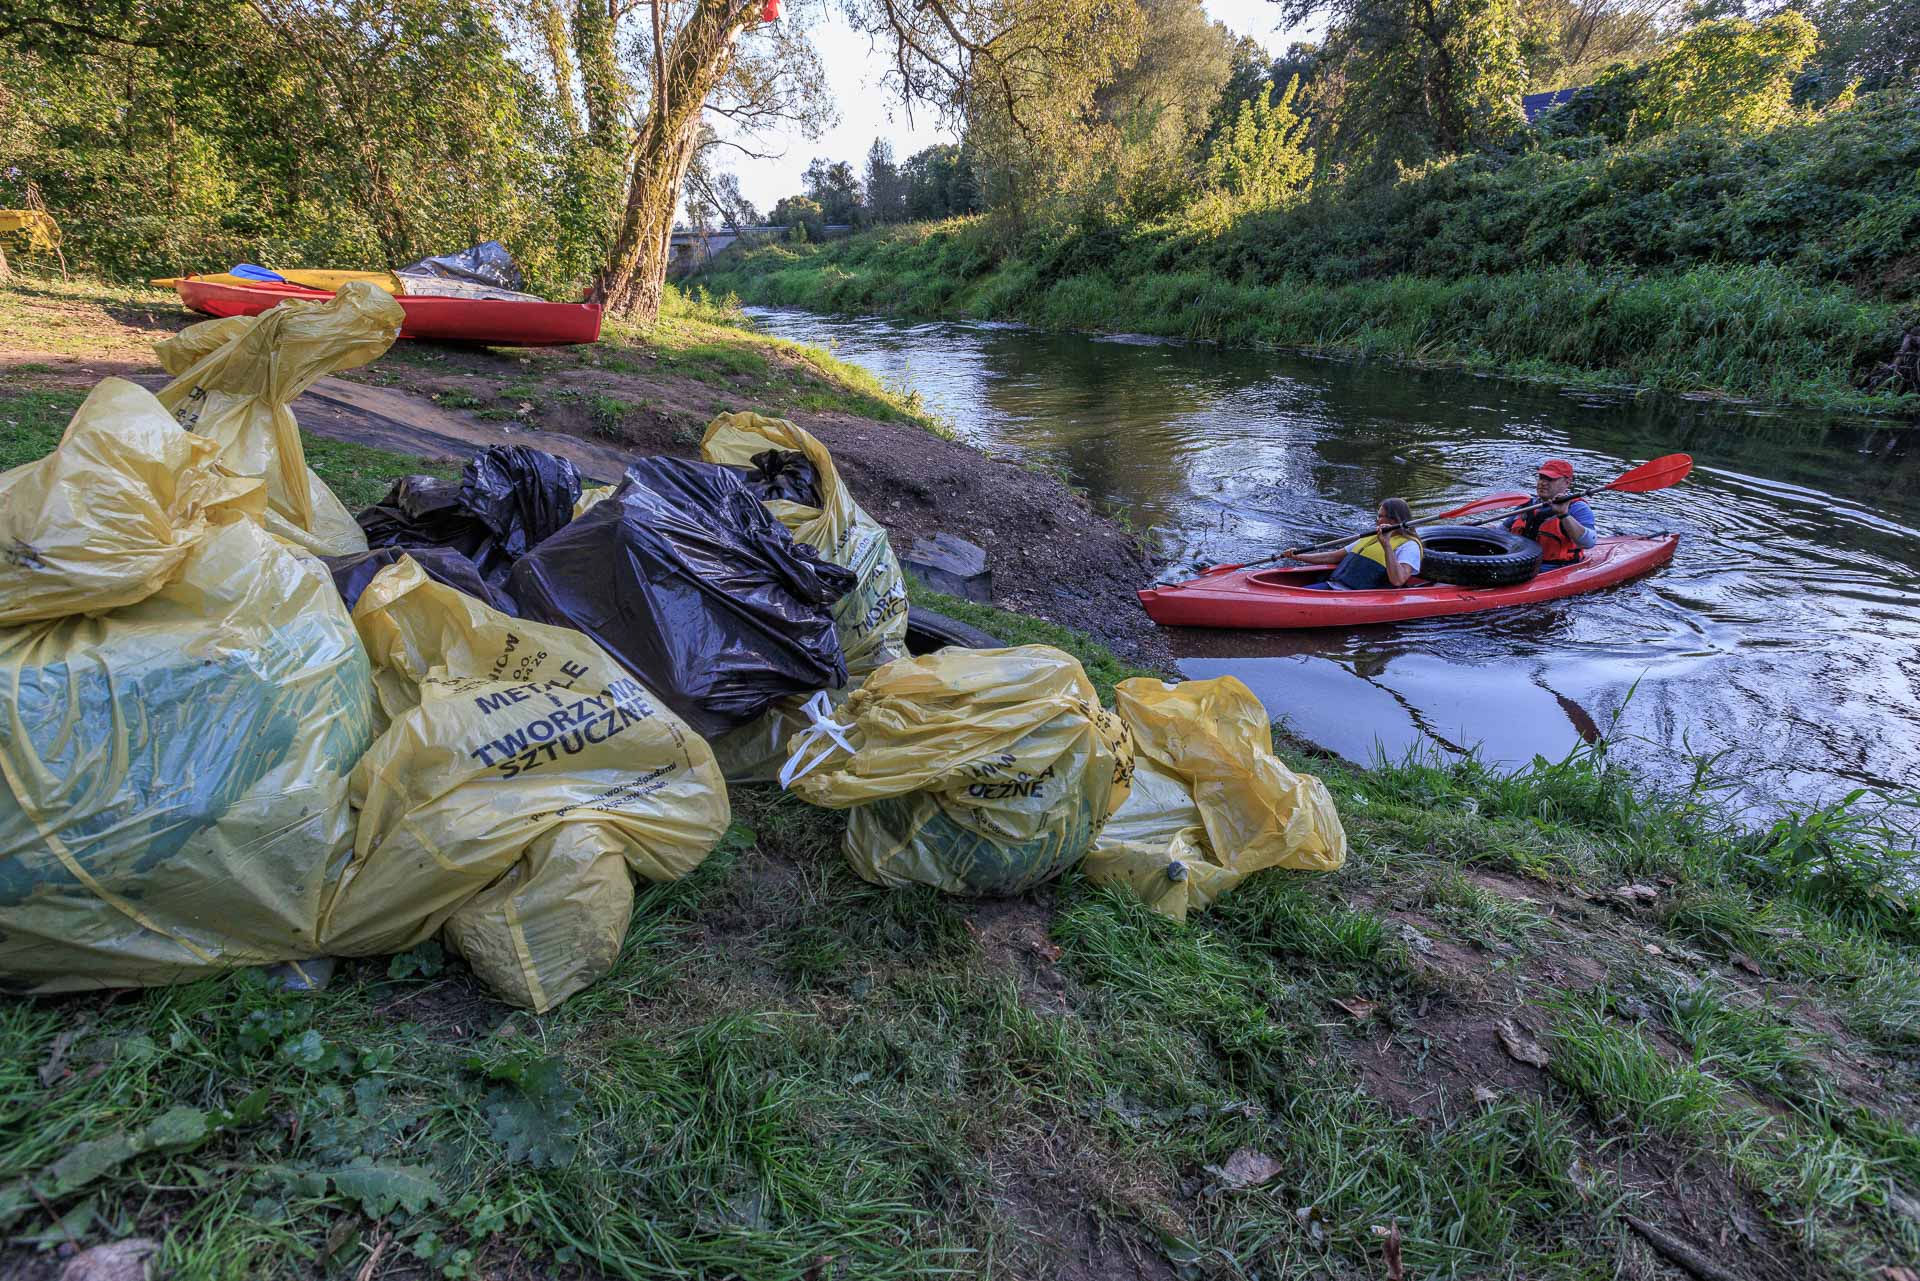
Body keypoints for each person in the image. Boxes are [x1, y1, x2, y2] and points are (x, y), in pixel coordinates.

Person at [1284, 498, 1423, 590]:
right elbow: (1332, 557)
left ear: (1393, 520)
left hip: (1360, 596)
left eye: (1380, 516)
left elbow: (1398, 580)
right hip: (1335, 586)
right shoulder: (1371, 537)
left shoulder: (1410, 545)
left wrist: (1386, 545)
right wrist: (1299, 556)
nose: (1377, 520)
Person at [1510, 459, 1597, 565]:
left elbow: (1588, 543)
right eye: (1541, 478)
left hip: (1555, 568)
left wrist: (1564, 515)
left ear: (1567, 482)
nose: (1543, 483)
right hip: (1520, 564)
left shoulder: (1578, 507)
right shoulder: (1527, 505)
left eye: (1550, 479)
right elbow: (1501, 532)